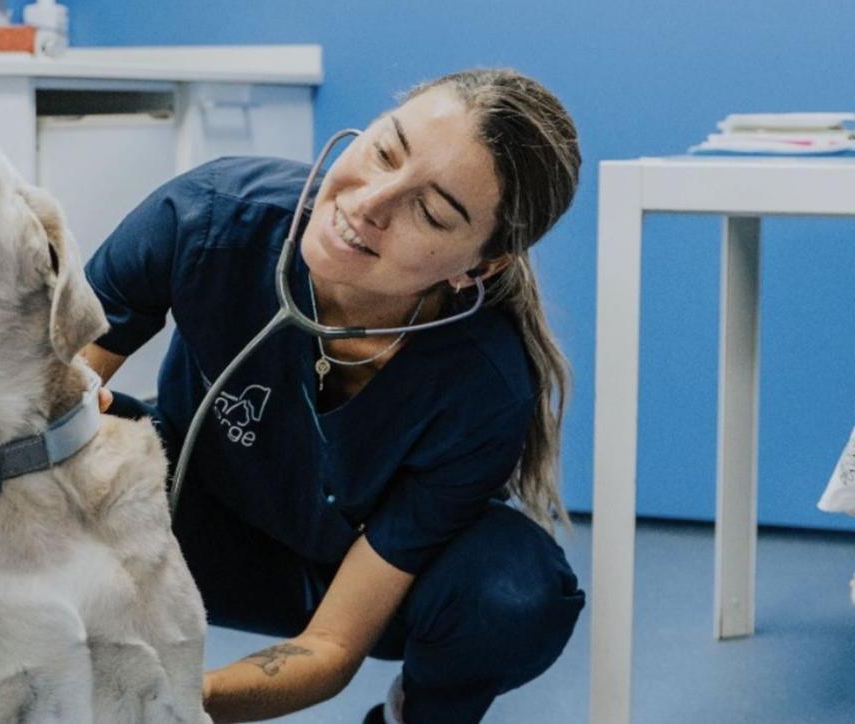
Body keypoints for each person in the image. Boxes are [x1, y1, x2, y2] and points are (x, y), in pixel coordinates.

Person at [81, 68, 585, 724]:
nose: (370, 203)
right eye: (384, 151)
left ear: (479, 267)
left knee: (516, 594)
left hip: (353, 580)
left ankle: (418, 714)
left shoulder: (483, 390)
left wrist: (170, 705)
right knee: (51, 435)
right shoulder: (207, 216)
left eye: (430, 212)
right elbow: (47, 391)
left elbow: (330, 645)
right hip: (181, 515)